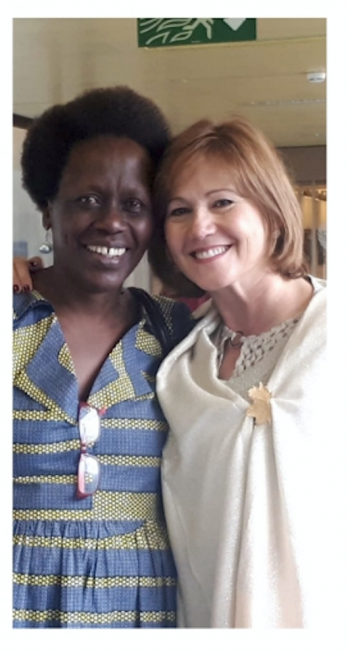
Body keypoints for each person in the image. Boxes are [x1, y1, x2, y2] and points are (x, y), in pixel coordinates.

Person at [13, 87, 195, 628]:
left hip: (141, 599)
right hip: (17, 592)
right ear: (48, 209)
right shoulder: (1, 315)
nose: (112, 222)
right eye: (88, 200)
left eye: (134, 205)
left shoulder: (177, 332)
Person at [150, 117, 326, 627]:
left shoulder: (330, 334)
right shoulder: (181, 362)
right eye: (179, 210)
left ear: (271, 213)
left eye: (222, 201)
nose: (200, 226)